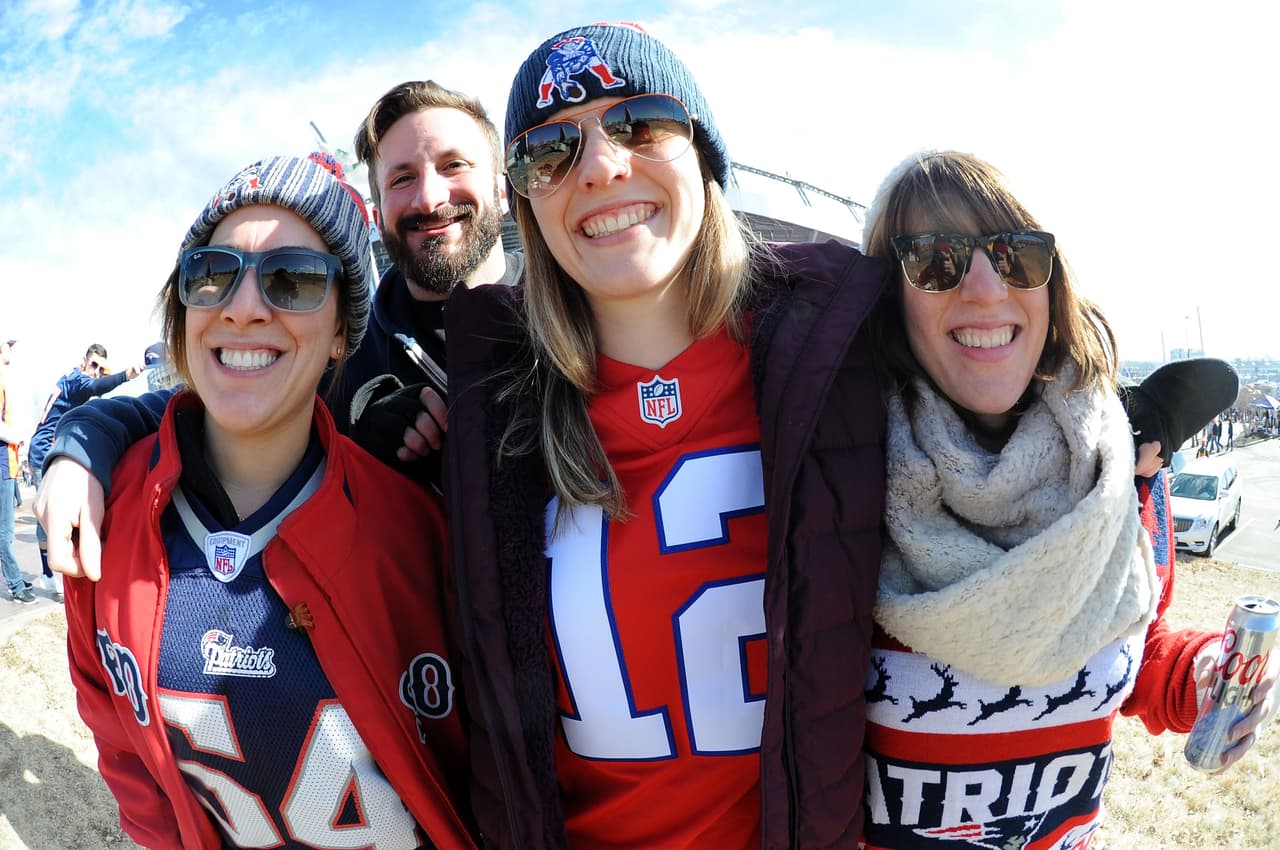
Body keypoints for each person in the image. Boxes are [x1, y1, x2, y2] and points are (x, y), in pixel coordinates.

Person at [441, 22, 891, 849]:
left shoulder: (844, 361)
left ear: (704, 153)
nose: (603, 166)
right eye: (550, 152)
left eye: (640, 123)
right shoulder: (486, 412)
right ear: (528, 201)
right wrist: (115, 428)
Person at [857, 150, 1276, 849]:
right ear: (885, 297)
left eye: (1016, 256)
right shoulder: (838, 474)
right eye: (935, 260)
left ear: (1053, 286)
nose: (987, 288)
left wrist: (1201, 675)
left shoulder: (1116, 473)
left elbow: (1132, 647)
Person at [62, 155, 474, 850]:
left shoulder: (421, 536)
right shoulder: (103, 519)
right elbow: (124, 752)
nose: (244, 305)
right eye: (213, 272)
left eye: (293, 279)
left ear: (345, 328)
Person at [35, 80, 521, 578]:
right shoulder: (345, 357)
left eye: (454, 165)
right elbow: (210, 404)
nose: (429, 196)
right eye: (401, 178)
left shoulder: (572, 323)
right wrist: (84, 442)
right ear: (378, 213)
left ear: (503, 190)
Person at [27, 343, 141, 601]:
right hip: (45, 449)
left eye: (101, 369)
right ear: (83, 362)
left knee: (56, 513)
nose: (96, 372)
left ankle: (58, 571)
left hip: (53, 446)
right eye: (94, 365)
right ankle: (50, 573)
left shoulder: (72, 381)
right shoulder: (78, 380)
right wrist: (125, 375)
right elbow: (93, 387)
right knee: (54, 513)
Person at [0, 338, 35, 604]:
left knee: (6, 529)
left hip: (8, 464)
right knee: (5, 532)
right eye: (8, 345)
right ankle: (14, 584)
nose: (11, 349)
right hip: (3, 463)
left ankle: (14, 577)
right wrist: (17, 437)